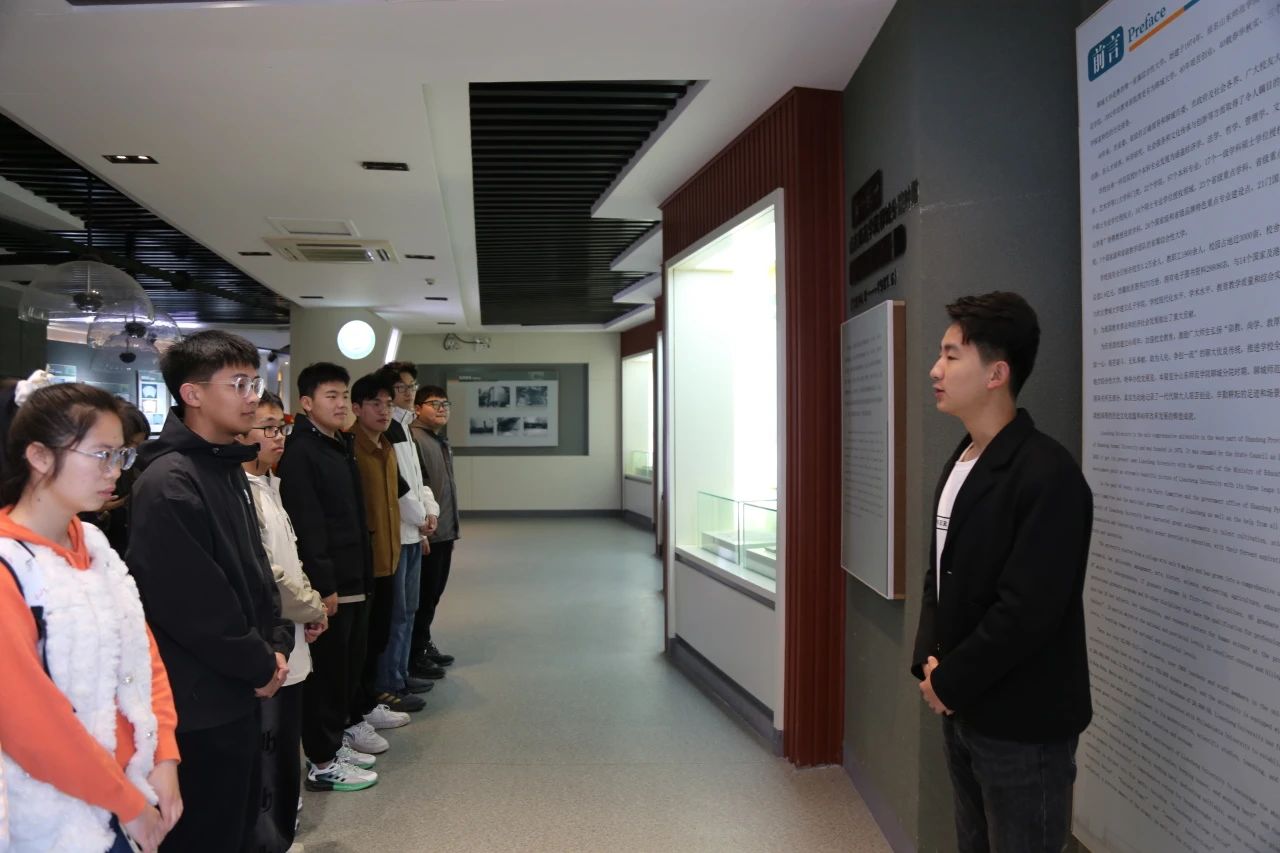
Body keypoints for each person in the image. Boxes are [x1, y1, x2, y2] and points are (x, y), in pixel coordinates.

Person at [910, 292, 1093, 853]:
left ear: (997, 373)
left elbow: (1027, 612)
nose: (935, 370)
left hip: (1023, 724)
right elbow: (941, 574)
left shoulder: (1047, 473)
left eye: (951, 356)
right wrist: (930, 663)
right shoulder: (963, 458)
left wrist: (950, 681)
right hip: (963, 708)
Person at [127, 331, 294, 853]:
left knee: (239, 823)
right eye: (238, 384)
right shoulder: (170, 482)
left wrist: (278, 642)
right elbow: (193, 606)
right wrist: (259, 662)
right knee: (208, 833)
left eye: (255, 384)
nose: (252, 397)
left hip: (239, 686)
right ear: (192, 394)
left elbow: (256, 572)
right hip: (200, 700)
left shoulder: (224, 466)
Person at [0, 383, 180, 853]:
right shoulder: (10, 566)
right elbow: (28, 721)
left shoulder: (94, 543)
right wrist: (128, 804)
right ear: (40, 456)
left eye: (120, 456)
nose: (115, 471)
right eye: (101, 455)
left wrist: (164, 755)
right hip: (53, 816)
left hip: (128, 789)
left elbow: (142, 656)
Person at [277, 363, 385, 795]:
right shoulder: (303, 452)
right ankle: (322, 759)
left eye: (344, 395)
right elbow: (310, 525)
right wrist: (325, 587)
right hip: (333, 583)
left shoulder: (337, 444)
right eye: (331, 396)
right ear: (307, 403)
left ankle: (335, 743)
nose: (341, 404)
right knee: (328, 675)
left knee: (346, 668)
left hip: (355, 575)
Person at [238, 391, 335, 852]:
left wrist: (309, 609)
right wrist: (312, 607)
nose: (280, 437)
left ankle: (283, 823)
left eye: (283, 427)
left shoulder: (269, 484)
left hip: (292, 627)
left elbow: (291, 562)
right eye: (269, 428)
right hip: (270, 639)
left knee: (284, 738)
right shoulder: (241, 492)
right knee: (269, 744)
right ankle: (271, 834)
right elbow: (270, 575)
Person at [348, 373, 424, 715]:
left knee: (390, 623)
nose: (384, 410)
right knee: (372, 633)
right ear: (357, 408)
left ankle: (388, 684)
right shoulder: (351, 449)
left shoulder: (387, 445)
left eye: (388, 404)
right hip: (368, 560)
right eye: (375, 403)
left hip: (393, 551)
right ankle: (378, 692)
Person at [375, 363, 442, 695]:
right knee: (397, 613)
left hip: (414, 533)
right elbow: (397, 487)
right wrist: (421, 518)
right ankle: (391, 681)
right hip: (398, 535)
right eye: (402, 387)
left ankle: (401, 673)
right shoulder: (388, 429)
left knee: (409, 610)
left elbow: (418, 481)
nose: (409, 392)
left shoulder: (405, 428)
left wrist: (430, 512)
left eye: (412, 386)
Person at [409, 385, 460, 674]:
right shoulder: (415, 439)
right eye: (434, 403)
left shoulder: (437, 439)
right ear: (417, 408)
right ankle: (416, 653)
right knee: (424, 596)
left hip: (444, 530)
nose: (442, 408)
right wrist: (423, 530)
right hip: (430, 532)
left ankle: (423, 644)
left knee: (433, 594)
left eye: (445, 403)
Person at [82, 402, 150, 555]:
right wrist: (94, 511)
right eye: (131, 444)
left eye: (139, 445)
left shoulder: (134, 465)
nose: (134, 451)